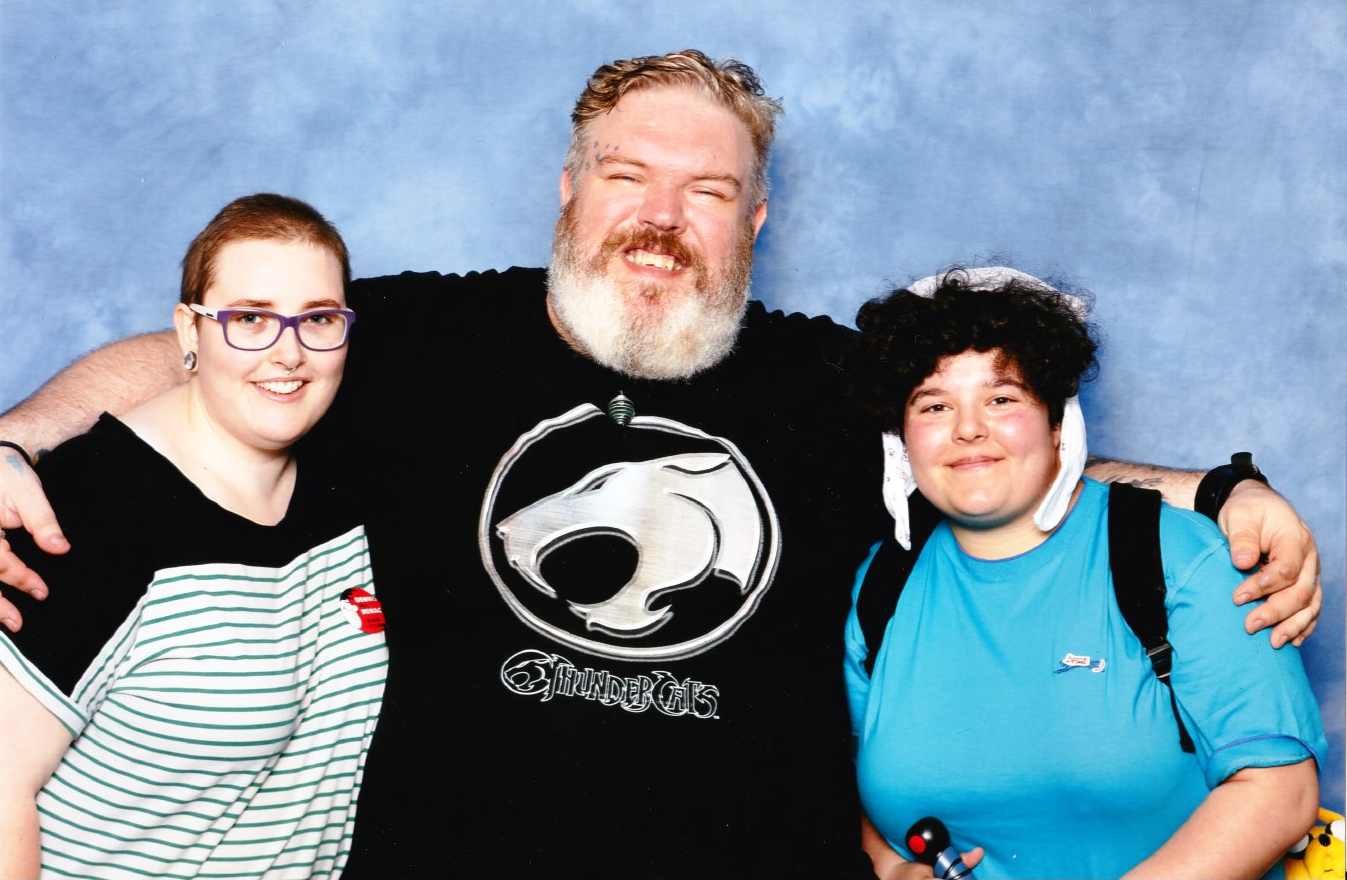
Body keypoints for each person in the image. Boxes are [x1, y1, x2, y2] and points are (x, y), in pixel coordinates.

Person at [0, 51, 1323, 878]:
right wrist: (14, 439)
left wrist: (1213, 491)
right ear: (567, 187)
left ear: (757, 217)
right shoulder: (427, 341)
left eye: (707, 191)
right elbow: (195, 359)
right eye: (627, 176)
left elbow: (1002, 453)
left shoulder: (827, 379)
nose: (659, 219)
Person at [843, 268, 1325, 879]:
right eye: (935, 405)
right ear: (901, 437)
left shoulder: (1177, 556)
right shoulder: (882, 585)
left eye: (1001, 399)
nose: (968, 429)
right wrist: (892, 868)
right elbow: (861, 785)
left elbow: (1279, 792)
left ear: (1056, 422)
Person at [0, 194, 385, 879]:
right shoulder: (90, 507)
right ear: (189, 331)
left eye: (318, 318)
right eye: (249, 318)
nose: (288, 353)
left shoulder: (345, 473)